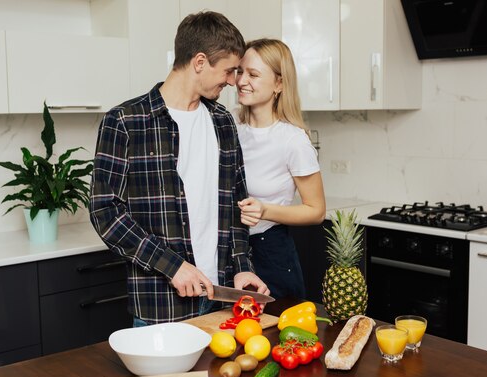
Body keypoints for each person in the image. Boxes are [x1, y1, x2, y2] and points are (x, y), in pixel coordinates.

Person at [89, 11, 270, 326]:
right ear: (199, 62)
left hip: (220, 301)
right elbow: (105, 212)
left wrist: (242, 266)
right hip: (161, 308)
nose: (233, 81)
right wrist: (172, 265)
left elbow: (236, 203)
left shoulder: (222, 121)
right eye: (228, 71)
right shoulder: (125, 122)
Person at [235, 38, 326, 299]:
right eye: (240, 71)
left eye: (253, 74)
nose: (241, 80)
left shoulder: (293, 140)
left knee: (278, 335)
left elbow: (316, 210)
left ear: (279, 84)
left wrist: (265, 210)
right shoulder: (230, 127)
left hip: (270, 252)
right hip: (230, 254)